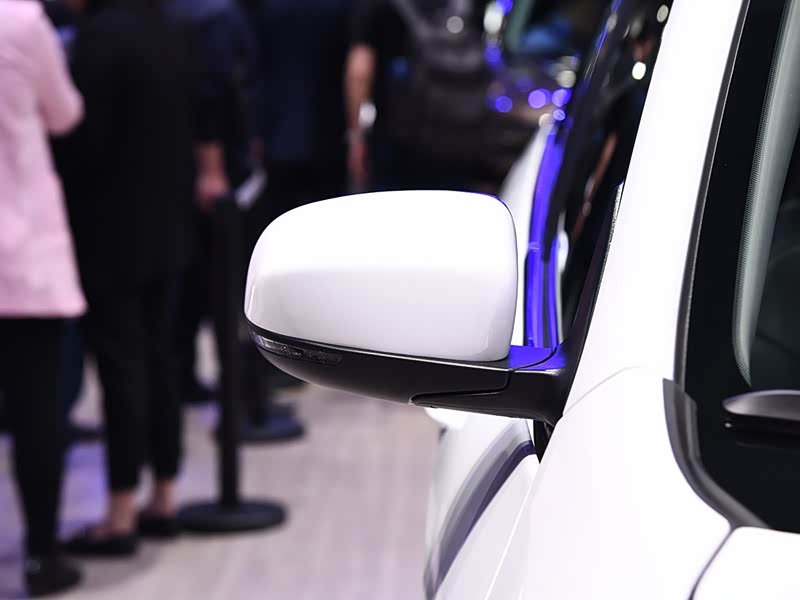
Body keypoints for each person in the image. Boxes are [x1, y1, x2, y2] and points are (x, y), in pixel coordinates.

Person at [59, 0, 195, 556]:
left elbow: (83, 142)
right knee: (161, 361)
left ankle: (119, 512)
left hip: (111, 232)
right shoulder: (169, 25)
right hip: (169, 225)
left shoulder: (98, 38)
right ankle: (164, 495)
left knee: (121, 369)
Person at [0, 1, 84, 595]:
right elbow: (65, 113)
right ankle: (41, 554)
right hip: (21, 250)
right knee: (36, 413)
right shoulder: (22, 21)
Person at [345, 0, 486, 192]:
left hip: (398, 141)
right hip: (460, 134)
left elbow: (360, 71)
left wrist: (357, 138)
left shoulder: (377, 6)